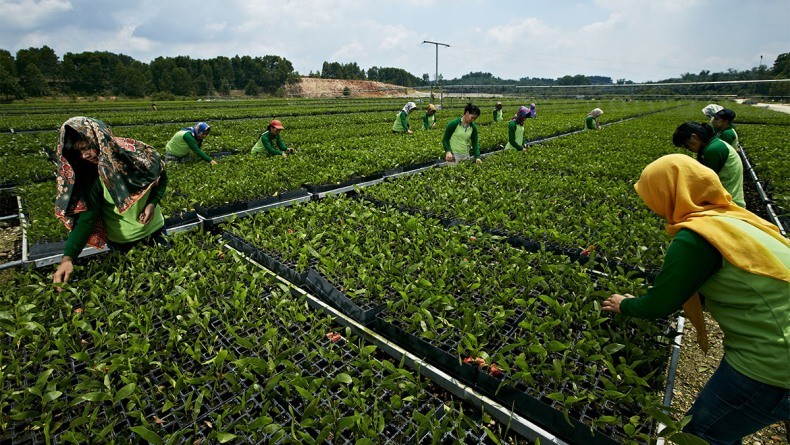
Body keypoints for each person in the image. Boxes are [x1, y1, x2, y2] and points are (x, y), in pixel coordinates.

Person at [602, 154, 789, 444]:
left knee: (701, 435)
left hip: (774, 361)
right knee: (726, 428)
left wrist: (624, 304)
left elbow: (660, 305)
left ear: (667, 192)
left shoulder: (696, 238)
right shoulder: (734, 217)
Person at [52, 117, 169, 287]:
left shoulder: (135, 156)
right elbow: (86, 219)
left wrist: (152, 203)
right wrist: (68, 258)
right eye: (78, 152)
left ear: (99, 138)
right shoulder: (92, 178)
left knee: (167, 276)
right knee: (139, 286)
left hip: (156, 232)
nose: (84, 155)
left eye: (86, 148)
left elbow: (161, 176)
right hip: (122, 244)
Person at [672, 121, 745, 207]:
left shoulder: (713, 150)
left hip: (728, 203)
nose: (688, 149)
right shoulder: (715, 144)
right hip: (727, 199)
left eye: (686, 145)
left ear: (694, 137)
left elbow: (705, 182)